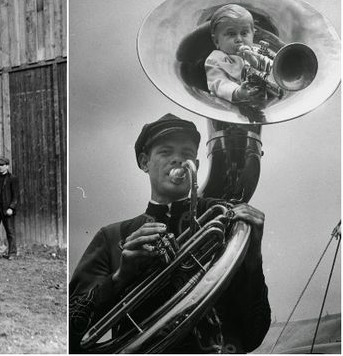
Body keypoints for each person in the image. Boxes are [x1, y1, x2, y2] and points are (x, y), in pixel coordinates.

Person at [69, 113, 270, 353]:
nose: (179, 161)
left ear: (195, 162)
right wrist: (121, 277)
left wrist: (252, 257)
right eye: (166, 152)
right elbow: (71, 335)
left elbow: (253, 334)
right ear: (145, 162)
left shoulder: (223, 222)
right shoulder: (111, 237)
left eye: (187, 154)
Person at [205, 4, 274, 104]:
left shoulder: (256, 52)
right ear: (216, 41)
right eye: (232, 34)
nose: (239, 39)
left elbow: (272, 72)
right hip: (225, 110)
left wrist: (255, 63)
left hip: (259, 104)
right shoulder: (215, 59)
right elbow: (218, 83)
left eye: (244, 33)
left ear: (253, 35)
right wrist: (237, 92)